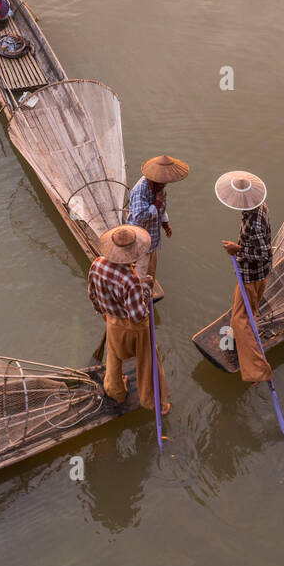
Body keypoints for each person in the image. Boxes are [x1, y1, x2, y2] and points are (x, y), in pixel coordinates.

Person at [87, 225, 170, 414]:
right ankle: (155, 403)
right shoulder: (130, 280)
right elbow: (138, 314)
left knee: (114, 356)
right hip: (133, 329)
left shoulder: (97, 264)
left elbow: (92, 295)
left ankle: (115, 391)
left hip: (111, 322)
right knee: (148, 362)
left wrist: (104, 313)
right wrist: (146, 289)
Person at [215, 170, 273, 385]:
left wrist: (237, 250)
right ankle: (243, 345)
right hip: (260, 274)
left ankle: (257, 371)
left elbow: (262, 253)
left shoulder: (254, 222)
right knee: (248, 314)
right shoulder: (260, 209)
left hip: (251, 275)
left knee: (239, 320)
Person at [127, 154, 190, 282]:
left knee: (151, 272)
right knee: (139, 277)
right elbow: (139, 217)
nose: (164, 185)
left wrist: (165, 224)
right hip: (140, 241)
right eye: (162, 183)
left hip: (152, 240)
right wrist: (157, 203)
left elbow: (162, 209)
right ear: (153, 180)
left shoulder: (161, 187)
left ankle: (148, 294)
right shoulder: (140, 190)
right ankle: (139, 298)